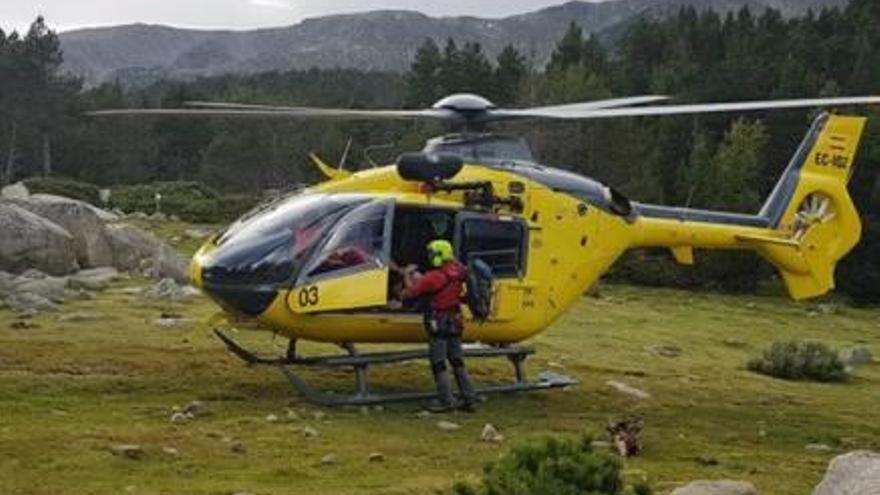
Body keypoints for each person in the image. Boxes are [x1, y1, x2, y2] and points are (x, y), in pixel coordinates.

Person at [401, 239, 477, 412]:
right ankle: (469, 397)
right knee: (457, 361)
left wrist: (407, 275)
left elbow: (408, 293)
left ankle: (446, 400)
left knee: (438, 362)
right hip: (456, 320)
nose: (429, 257)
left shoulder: (434, 277)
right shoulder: (459, 270)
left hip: (439, 321)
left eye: (432, 254)